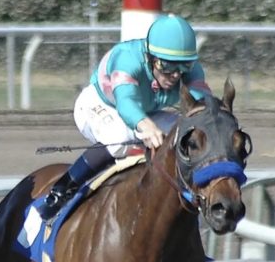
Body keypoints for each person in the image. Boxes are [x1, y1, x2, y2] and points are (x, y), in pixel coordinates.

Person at [37, 13, 212, 219]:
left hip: (146, 111)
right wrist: (145, 125)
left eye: (184, 66)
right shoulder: (127, 58)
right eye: (167, 66)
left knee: (188, 132)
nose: (175, 75)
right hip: (100, 104)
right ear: (151, 57)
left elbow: (202, 106)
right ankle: (62, 189)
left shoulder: (187, 69)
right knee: (119, 137)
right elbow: (126, 103)